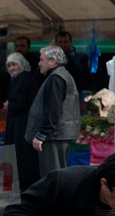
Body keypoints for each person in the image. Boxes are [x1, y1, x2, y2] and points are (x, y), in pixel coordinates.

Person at [25, 45, 80, 177]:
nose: (39, 63)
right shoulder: (61, 75)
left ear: (52, 61)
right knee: (57, 174)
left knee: (53, 175)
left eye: (41, 60)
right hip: (58, 135)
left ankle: (56, 198)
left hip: (54, 136)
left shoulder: (56, 78)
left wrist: (41, 135)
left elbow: (53, 110)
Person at [4, 52, 40, 192]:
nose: (12, 68)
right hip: (23, 123)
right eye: (9, 65)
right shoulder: (22, 78)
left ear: (21, 65)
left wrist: (9, 105)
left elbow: (19, 103)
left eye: (14, 64)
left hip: (22, 125)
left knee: (23, 160)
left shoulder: (22, 79)